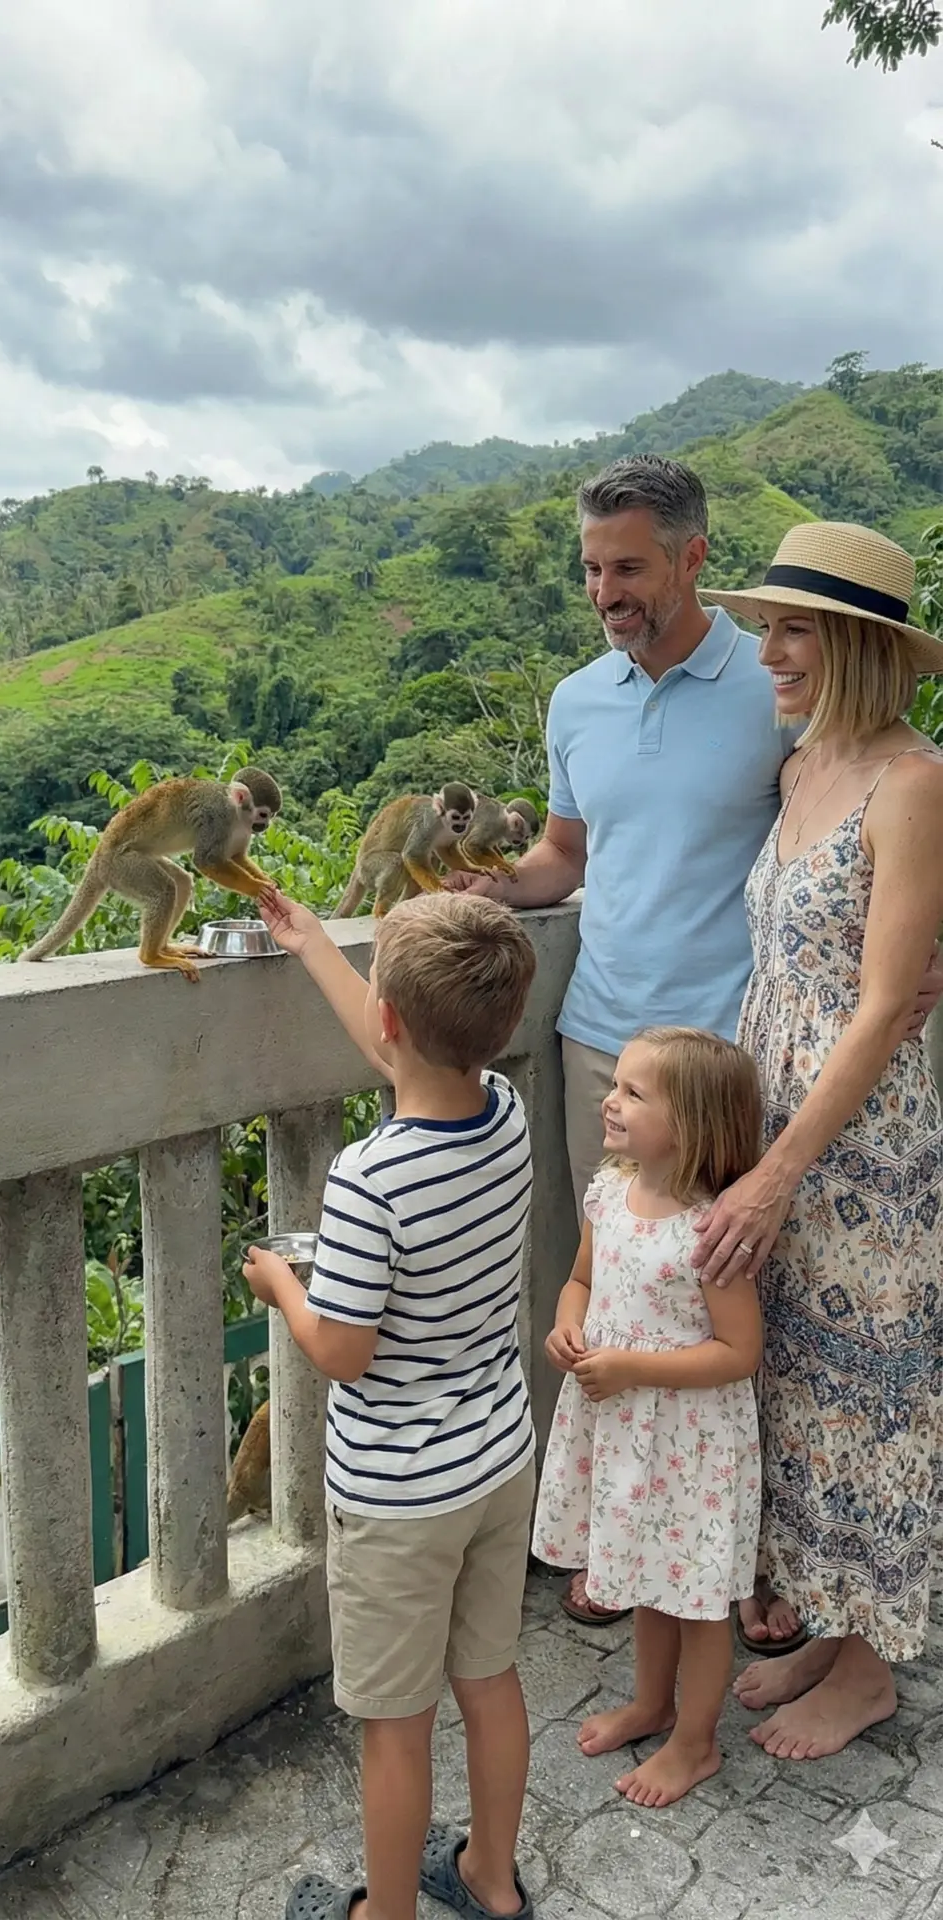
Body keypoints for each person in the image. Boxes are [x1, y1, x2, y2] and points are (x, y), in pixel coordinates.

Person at [445, 455, 943, 1653]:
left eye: (628, 566)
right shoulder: (603, 707)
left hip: (741, 1067)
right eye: (591, 569)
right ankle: (624, 1541)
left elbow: (877, 884)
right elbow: (566, 858)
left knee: (760, 1330)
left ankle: (760, 1583)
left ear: (689, 560)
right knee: (613, 1286)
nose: (607, 590)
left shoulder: (791, 712)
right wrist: (483, 894)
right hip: (603, 1038)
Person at [683, 520, 943, 1760]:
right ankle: (829, 1633)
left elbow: (888, 999)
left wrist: (783, 1173)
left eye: (793, 629)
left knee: (868, 1395)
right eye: (769, 624)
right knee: (793, 1386)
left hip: (858, 1149)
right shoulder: (801, 768)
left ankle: (871, 1666)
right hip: (775, 1110)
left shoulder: (912, 779)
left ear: (857, 645)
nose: (768, 649)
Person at [244, 888, 539, 1920]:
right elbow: (412, 1065)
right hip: (499, 1462)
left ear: (389, 1020)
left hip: (399, 1498)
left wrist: (280, 1282)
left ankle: (386, 1913)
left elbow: (343, 1349)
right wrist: (313, 942)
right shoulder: (503, 1113)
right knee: (490, 1679)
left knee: (394, 1725)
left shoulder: (367, 1180)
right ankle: (491, 1883)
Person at [533, 1027, 764, 1808]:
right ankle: (650, 1703)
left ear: (693, 1124)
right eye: (617, 1084)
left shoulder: (709, 1228)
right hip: (624, 1429)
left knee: (695, 1595)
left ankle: (696, 1741)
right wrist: (570, 1325)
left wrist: (632, 1366)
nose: (612, 1099)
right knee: (642, 1574)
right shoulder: (608, 1191)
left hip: (690, 1443)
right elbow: (579, 1280)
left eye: (636, 1093)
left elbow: (738, 1351)